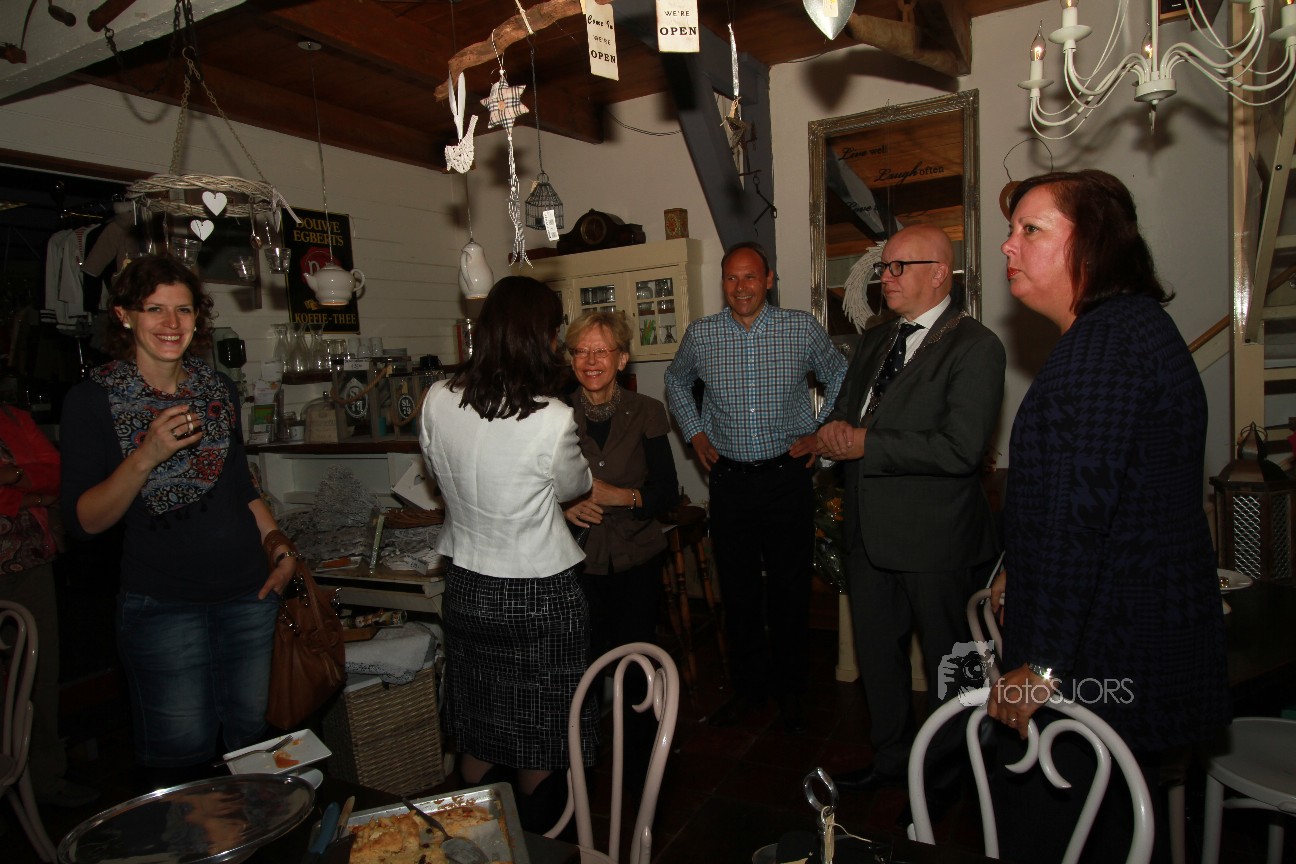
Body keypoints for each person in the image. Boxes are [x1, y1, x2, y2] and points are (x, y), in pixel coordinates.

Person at [988, 169, 1229, 862]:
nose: (1008, 245)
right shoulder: (1132, 329)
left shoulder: (1103, 346)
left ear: (1091, 245)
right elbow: (1099, 496)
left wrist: (1043, 664)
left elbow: (1079, 520)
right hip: (1128, 647)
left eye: (1031, 229)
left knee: (1069, 836)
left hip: (1101, 661)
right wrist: (1016, 567)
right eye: (1011, 229)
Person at [60, 254, 298, 790]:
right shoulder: (93, 400)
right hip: (163, 605)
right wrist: (147, 454)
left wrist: (279, 546)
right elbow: (84, 522)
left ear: (198, 318)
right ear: (124, 316)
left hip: (248, 595)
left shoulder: (217, 389)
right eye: (155, 309)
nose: (171, 323)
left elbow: (240, 487)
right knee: (182, 758)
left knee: (254, 744)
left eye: (183, 310)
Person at [816, 225, 1005, 805]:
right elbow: (846, 410)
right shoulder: (876, 338)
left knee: (951, 664)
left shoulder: (976, 345)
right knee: (879, 660)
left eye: (900, 267)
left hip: (935, 538)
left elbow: (961, 449)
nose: (886, 278)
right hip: (868, 534)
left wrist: (867, 443)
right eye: (884, 267)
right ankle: (892, 760)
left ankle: (946, 778)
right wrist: (832, 430)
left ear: (939, 274)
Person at [419, 276, 596, 831]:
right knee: (541, 737)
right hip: (539, 596)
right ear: (536, 337)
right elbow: (573, 487)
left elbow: (434, 469)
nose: (557, 342)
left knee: (479, 729)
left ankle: (475, 844)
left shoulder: (437, 398)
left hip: (468, 586)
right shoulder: (552, 417)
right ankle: (542, 844)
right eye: (554, 332)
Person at [664, 241, 847, 733]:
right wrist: (695, 432)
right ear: (722, 282)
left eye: (750, 277)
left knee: (790, 590)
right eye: (731, 278)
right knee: (739, 591)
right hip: (729, 483)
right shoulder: (702, 335)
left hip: (787, 478)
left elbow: (840, 373)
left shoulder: (799, 328)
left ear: (768, 280)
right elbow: (676, 381)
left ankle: (792, 694)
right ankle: (748, 692)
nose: (740, 286)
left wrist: (820, 433)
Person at [561, 310, 679, 792]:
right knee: (582, 670)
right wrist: (565, 506)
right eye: (581, 351)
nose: (591, 361)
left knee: (636, 667)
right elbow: (532, 487)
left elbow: (666, 493)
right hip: (576, 562)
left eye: (601, 351)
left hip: (636, 559)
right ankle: (582, 768)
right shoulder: (554, 415)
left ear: (622, 358)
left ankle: (641, 772)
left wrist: (623, 496)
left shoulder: (647, 410)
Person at [0, 403, 99, 809]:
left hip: (30, 561)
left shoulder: (12, 417)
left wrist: (12, 479)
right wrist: (24, 493)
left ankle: (44, 778)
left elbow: (58, 474)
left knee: (38, 673)